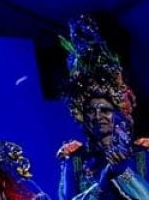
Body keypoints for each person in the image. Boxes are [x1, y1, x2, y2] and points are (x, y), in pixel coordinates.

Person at [56, 15, 149, 199]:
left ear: (119, 113)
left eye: (105, 110)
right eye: (91, 110)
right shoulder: (76, 160)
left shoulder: (140, 154)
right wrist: (102, 184)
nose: (98, 116)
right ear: (82, 116)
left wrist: (124, 173)